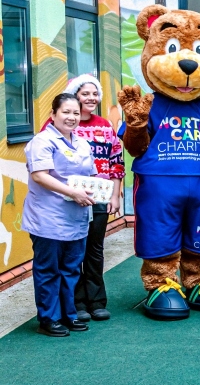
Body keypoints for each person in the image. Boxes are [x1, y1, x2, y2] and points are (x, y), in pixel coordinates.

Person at [43, 75, 124, 323]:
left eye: (94, 94)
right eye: (85, 93)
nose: (90, 98)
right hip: (68, 198)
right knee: (72, 251)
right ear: (74, 95)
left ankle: (97, 301)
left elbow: (116, 161)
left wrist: (115, 194)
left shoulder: (104, 125)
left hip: (98, 196)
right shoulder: (58, 124)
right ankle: (76, 303)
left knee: (95, 250)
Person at [23, 94, 97, 337]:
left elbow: (91, 175)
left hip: (76, 218)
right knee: (48, 269)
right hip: (48, 218)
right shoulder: (42, 141)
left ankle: (69, 314)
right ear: (53, 114)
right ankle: (49, 318)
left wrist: (95, 191)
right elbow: (40, 175)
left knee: (71, 269)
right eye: (66, 112)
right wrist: (73, 192)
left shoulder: (83, 143)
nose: (72, 117)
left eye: (76, 113)